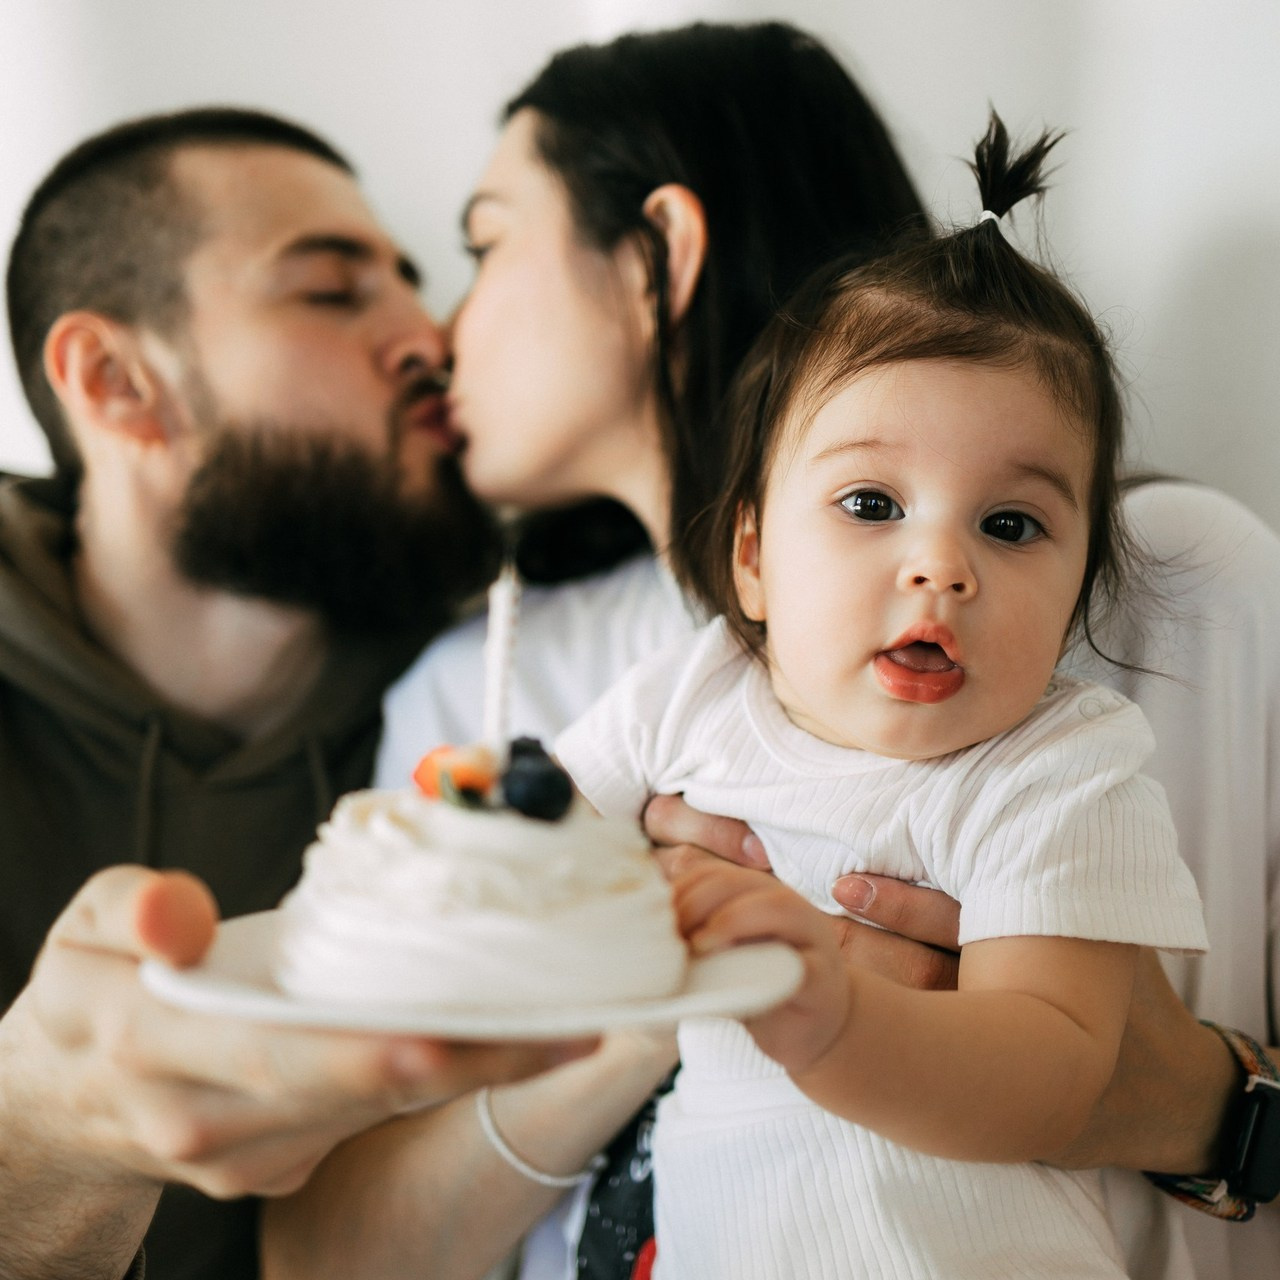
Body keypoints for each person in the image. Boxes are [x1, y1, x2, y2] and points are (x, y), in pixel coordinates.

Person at [264, 21, 1278, 1280]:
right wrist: (642, 974)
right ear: (750, 549)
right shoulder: (495, 682)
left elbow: (1062, 1055)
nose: (440, 333)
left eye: (482, 247)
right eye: (867, 504)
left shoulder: (1153, 598)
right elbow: (318, 1252)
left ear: (659, 256)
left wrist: (1205, 1103)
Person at [552, 116, 1207, 1277]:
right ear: (751, 556)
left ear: (1072, 598)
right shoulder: (695, 691)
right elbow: (534, 835)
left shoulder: (1055, 767)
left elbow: (1048, 1074)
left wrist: (840, 1022)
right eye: (869, 504)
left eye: (1010, 525)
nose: (939, 565)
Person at [0, 107, 586, 1280]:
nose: (429, 337)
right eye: (331, 291)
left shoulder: (499, 710)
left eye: (413, 285)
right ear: (115, 382)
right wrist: (44, 1141)